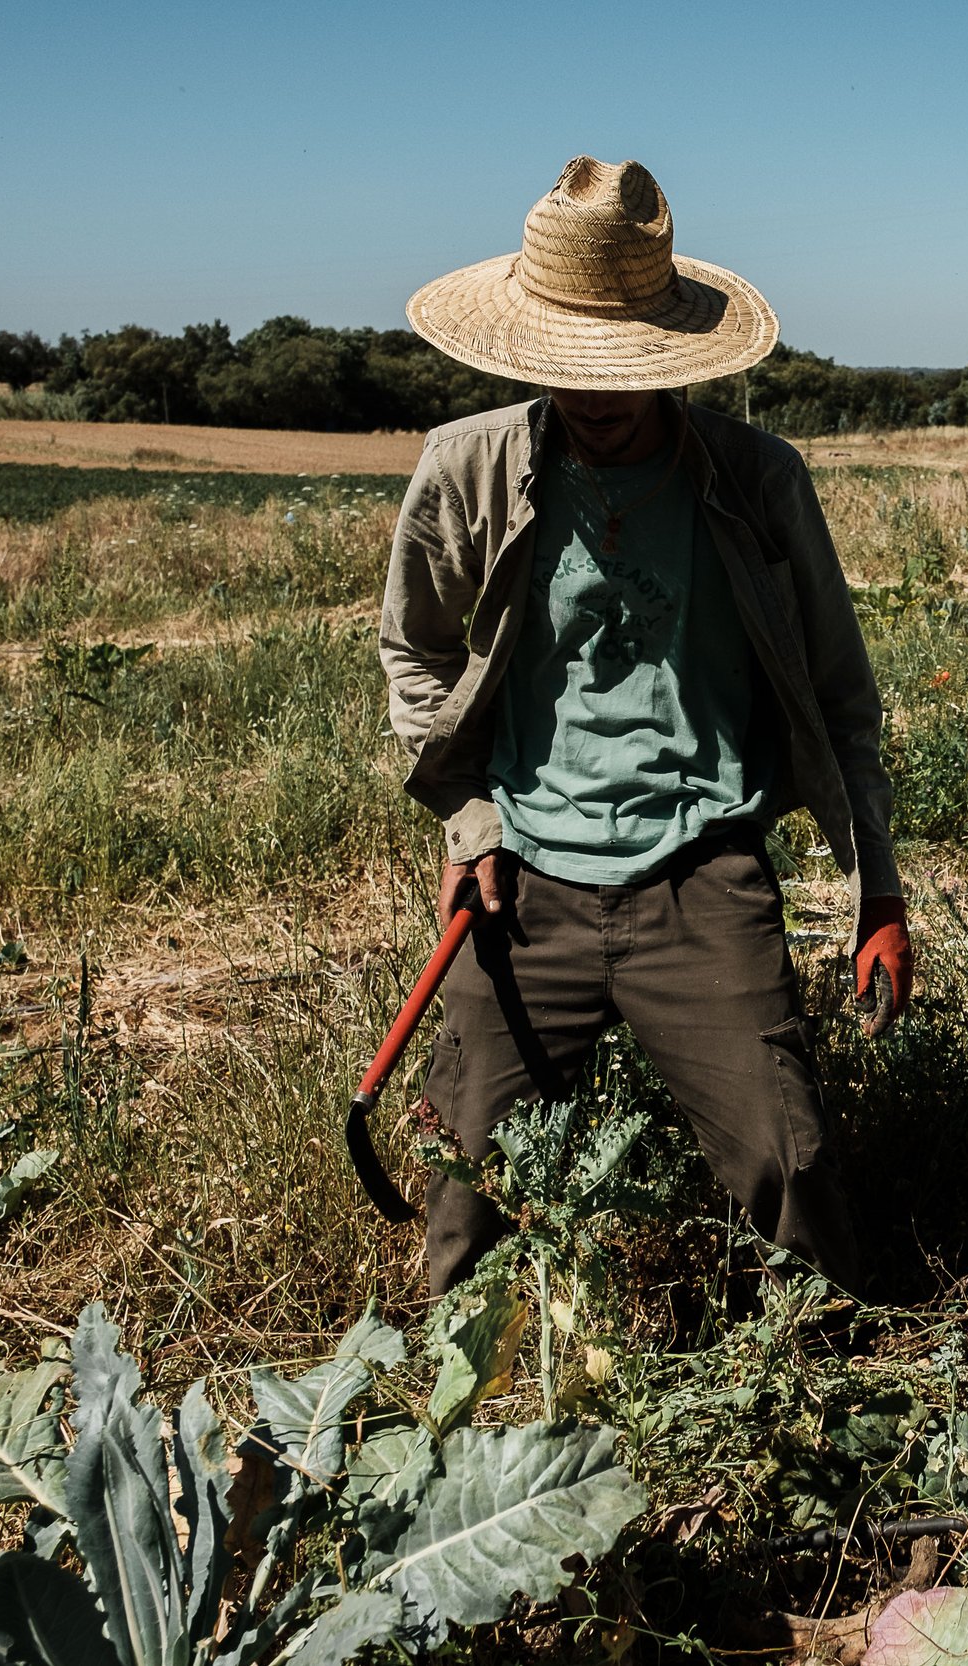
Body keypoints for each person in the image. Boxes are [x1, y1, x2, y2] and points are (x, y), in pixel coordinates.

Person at [379, 156, 911, 1296]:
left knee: (789, 1163)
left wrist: (879, 891)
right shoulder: (471, 467)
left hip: (701, 870)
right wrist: (472, 824)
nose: (598, 396)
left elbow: (840, 693)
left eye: (622, 369)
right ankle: (446, 1426)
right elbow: (412, 653)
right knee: (465, 1174)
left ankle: (824, 1387)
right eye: (571, 370)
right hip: (525, 880)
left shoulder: (757, 482)